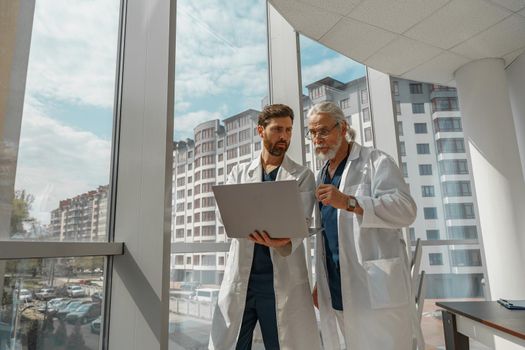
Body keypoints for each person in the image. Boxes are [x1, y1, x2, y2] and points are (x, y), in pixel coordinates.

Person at [307, 101, 424, 350]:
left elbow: (406, 210)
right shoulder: (321, 175)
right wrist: (321, 282)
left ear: (343, 128)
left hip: (374, 287)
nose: (318, 138)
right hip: (336, 288)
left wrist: (350, 202)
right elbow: (328, 236)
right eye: (313, 133)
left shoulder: (376, 161)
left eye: (324, 131)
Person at [209, 104, 321, 350]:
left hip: (280, 279)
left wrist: (286, 239)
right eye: (278, 129)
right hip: (244, 279)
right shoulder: (238, 173)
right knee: (233, 343)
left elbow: (301, 222)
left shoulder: (302, 176)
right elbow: (224, 214)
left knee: (281, 344)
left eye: (289, 130)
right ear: (261, 131)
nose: (285, 136)